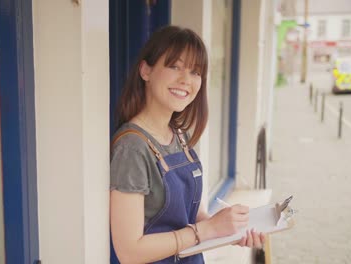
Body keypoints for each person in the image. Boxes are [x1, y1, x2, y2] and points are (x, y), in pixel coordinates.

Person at [110, 25, 265, 263]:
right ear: (145, 71)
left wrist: (228, 228)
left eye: (195, 72)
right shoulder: (132, 147)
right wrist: (207, 230)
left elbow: (189, 217)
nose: (186, 80)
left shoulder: (178, 135)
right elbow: (130, 251)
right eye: (174, 66)